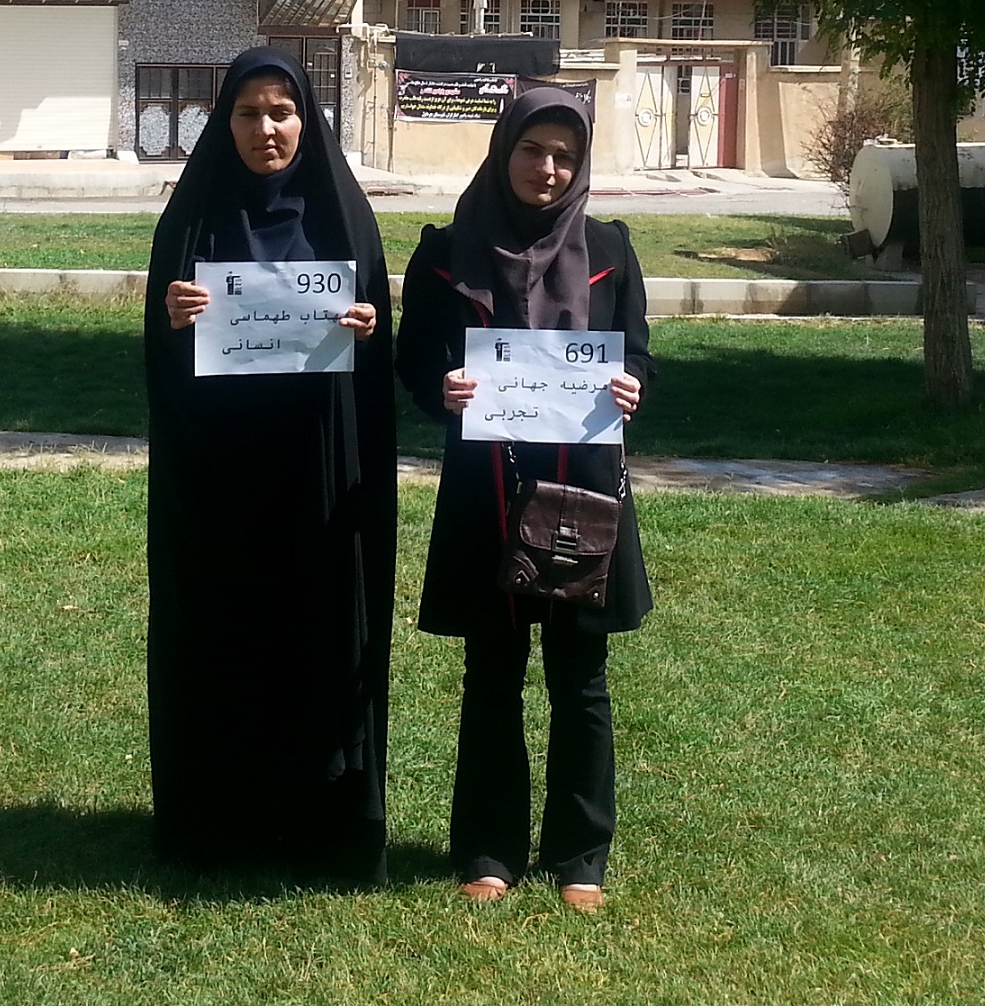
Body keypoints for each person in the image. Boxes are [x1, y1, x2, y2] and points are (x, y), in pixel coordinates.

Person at [395, 87, 653, 913]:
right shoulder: (446, 251)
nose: (547, 169)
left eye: (564, 156)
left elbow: (638, 352)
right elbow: (413, 362)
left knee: (581, 678)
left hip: (584, 488)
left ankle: (580, 857)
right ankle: (489, 849)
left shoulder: (610, 248)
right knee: (492, 674)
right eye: (532, 150)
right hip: (490, 492)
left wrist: (632, 384)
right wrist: (443, 389)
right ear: (504, 151)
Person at [143, 47, 396, 884]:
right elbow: (159, 362)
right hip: (221, 477)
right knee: (223, 635)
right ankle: (218, 818)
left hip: (316, 477)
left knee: (318, 633)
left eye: (281, 112)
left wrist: (367, 328)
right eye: (248, 113)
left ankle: (321, 817)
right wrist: (174, 320)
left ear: (307, 121)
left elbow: (379, 370)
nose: (266, 129)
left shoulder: (344, 219)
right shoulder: (192, 222)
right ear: (226, 123)